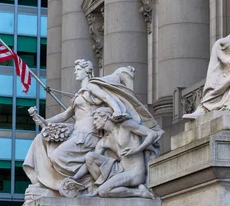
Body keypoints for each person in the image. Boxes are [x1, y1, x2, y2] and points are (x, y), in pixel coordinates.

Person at [23, 60, 161, 195]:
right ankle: (58, 183)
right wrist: (44, 120)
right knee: (41, 140)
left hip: (87, 136)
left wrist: (117, 109)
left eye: (78, 69)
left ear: (87, 71)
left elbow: (107, 98)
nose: (75, 72)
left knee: (56, 156)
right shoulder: (80, 93)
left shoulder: (91, 86)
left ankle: (79, 184)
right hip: (75, 133)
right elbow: (65, 114)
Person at [71, 107, 161, 198]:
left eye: (96, 119)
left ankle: (140, 192)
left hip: (135, 172)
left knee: (103, 191)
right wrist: (75, 178)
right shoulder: (104, 141)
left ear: (105, 117)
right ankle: (104, 184)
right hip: (120, 170)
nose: (94, 123)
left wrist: (137, 149)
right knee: (90, 156)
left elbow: (153, 134)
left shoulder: (126, 126)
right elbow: (88, 163)